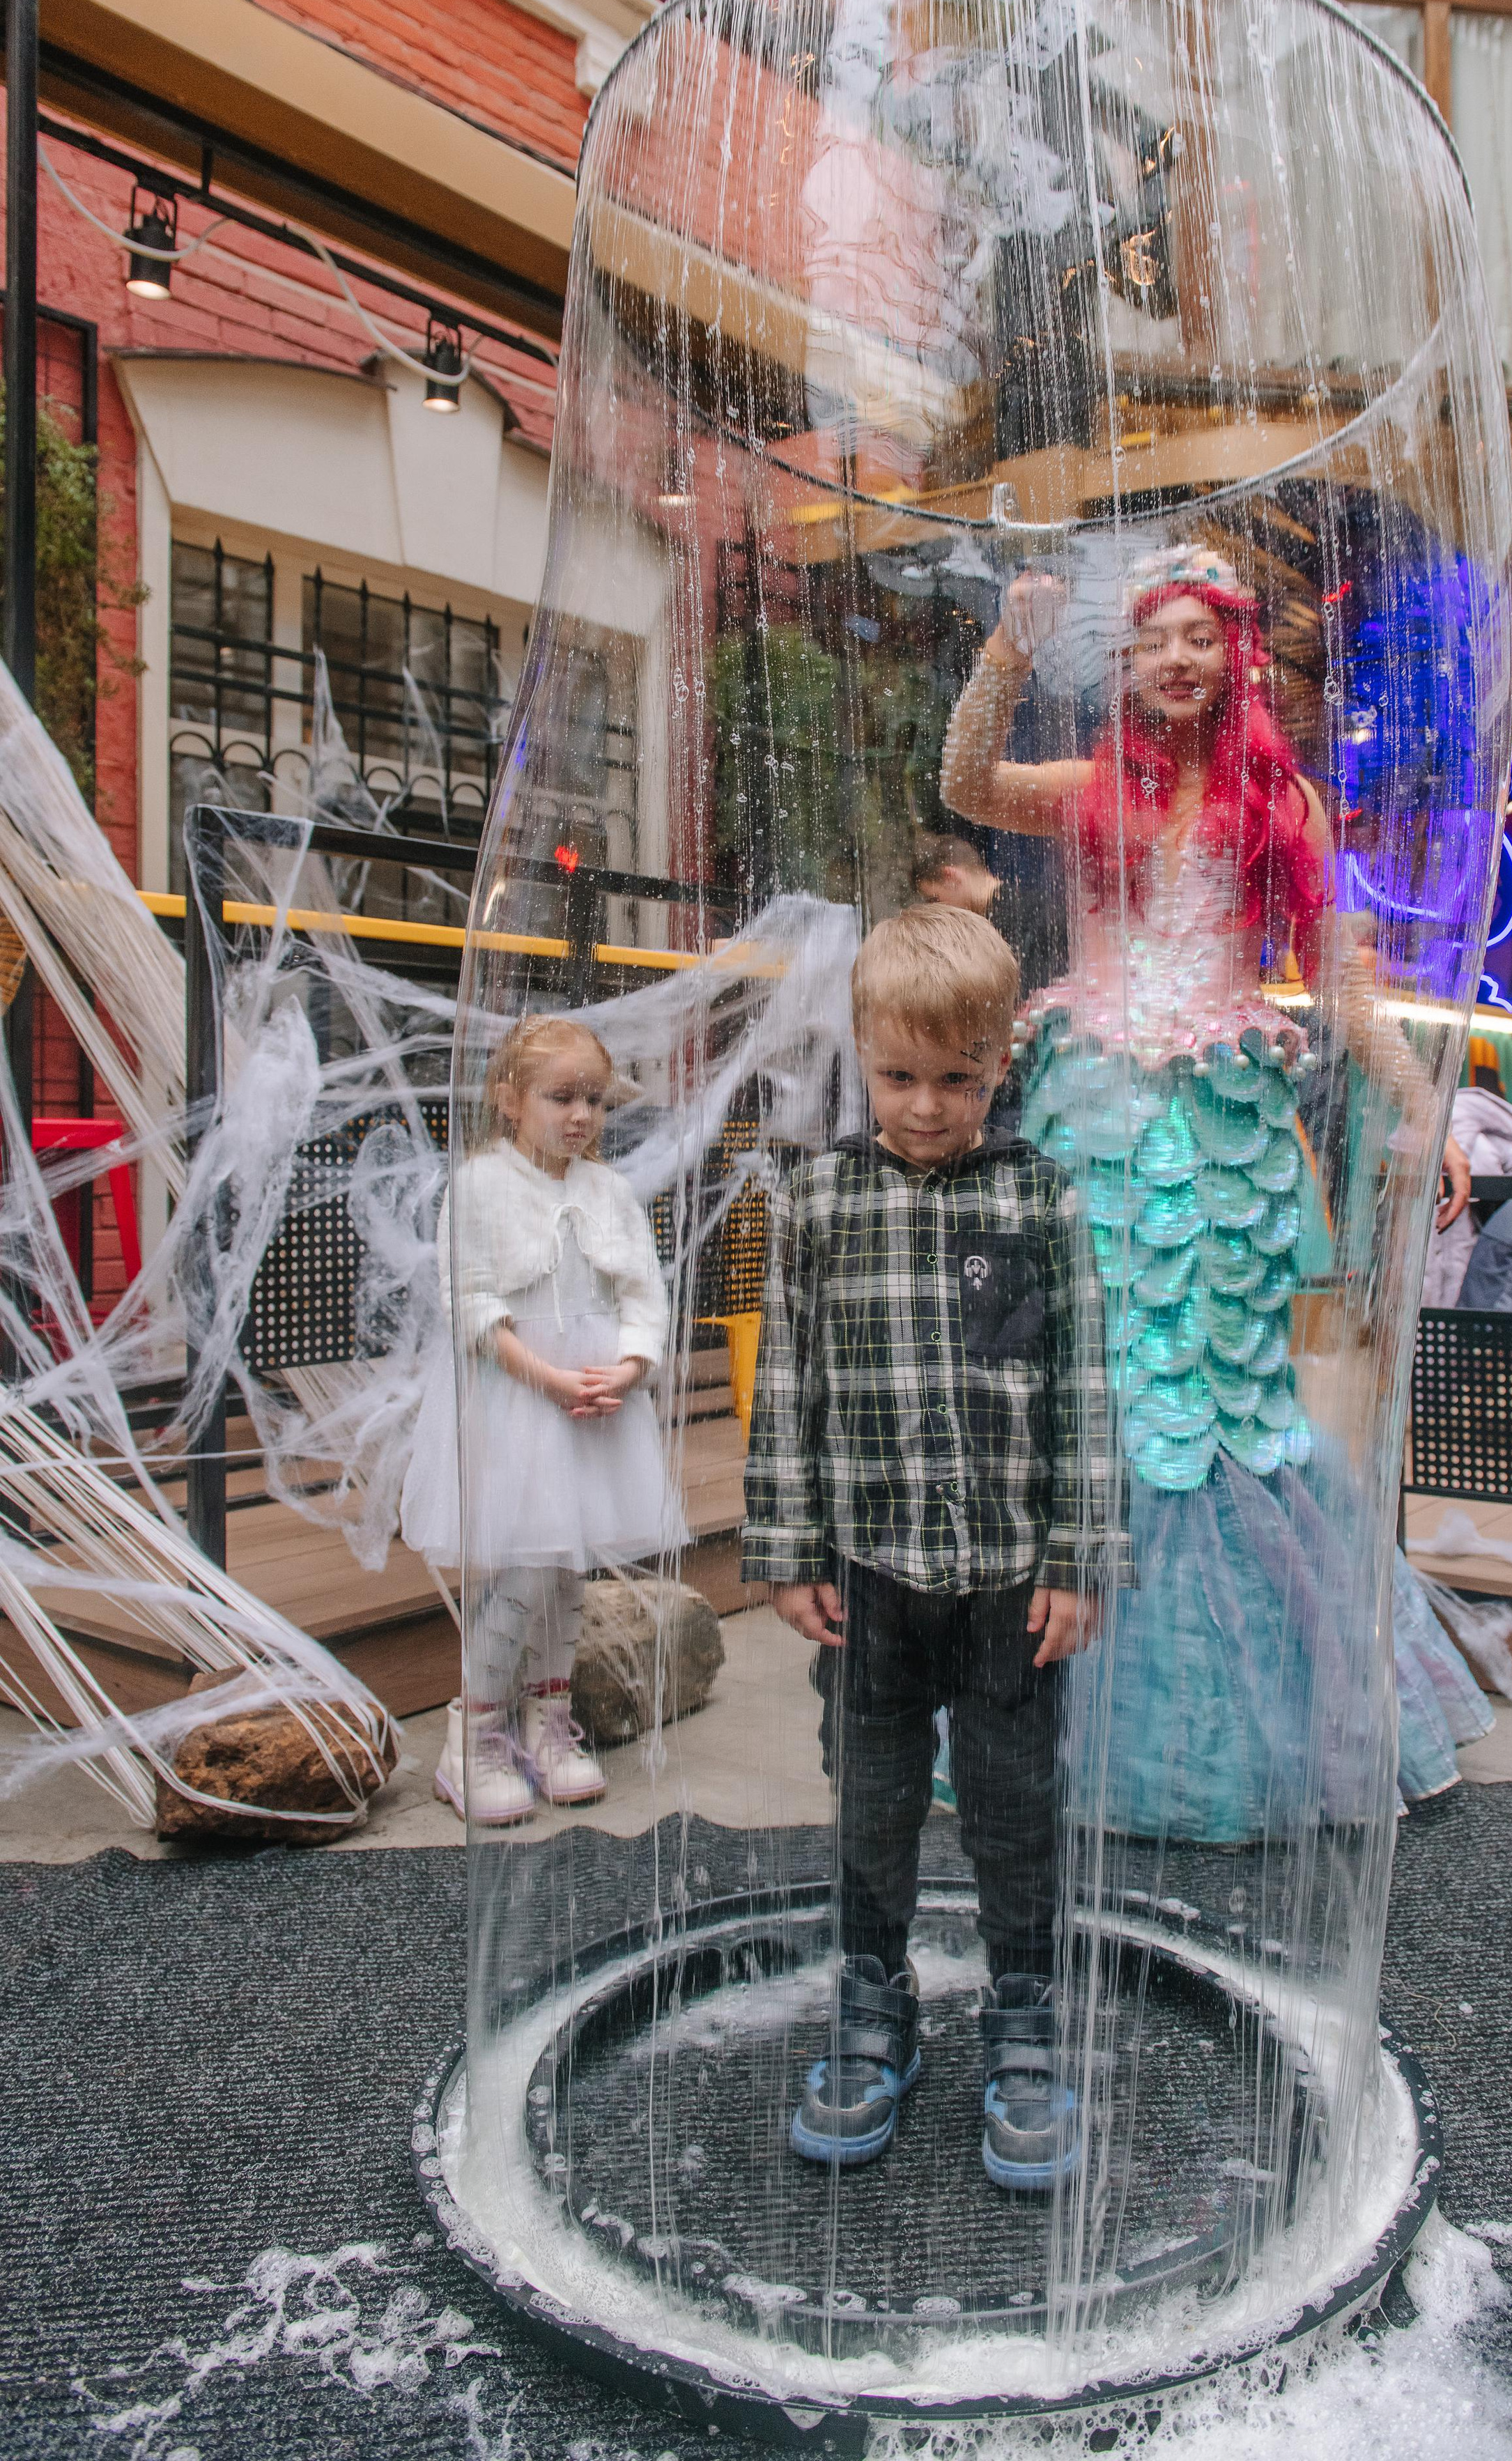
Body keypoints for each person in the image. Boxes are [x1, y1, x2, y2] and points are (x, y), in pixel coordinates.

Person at [939, 544, 1490, 1835]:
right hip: (1097, 1125)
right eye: (1154, 640)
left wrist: (1426, 1107)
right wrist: (1009, 650)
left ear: (1235, 652)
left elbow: (1339, 983)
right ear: (1126, 663)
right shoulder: (1087, 788)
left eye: (1202, 636)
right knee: (1098, 1386)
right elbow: (964, 783)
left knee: (1229, 1397)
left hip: (1226, 1136)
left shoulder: (1285, 802)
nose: (1178, 659)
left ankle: (1240, 1732)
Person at [741, 906, 1113, 2187]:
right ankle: (872, 1989)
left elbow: (1084, 1387)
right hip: (869, 1576)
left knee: (1015, 1801)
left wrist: (1078, 1555)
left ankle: (1023, 2005)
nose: (927, 1106)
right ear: (862, 1050)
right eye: (900, 1075)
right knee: (873, 1793)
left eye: (959, 1079)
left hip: (1011, 1578)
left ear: (1001, 1062)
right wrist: (788, 1548)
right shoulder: (818, 1198)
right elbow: (787, 1382)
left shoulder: (1040, 1197)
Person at [402, 1015, 686, 1826]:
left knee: (565, 1568)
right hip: (519, 1399)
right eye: (561, 1097)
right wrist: (548, 1378)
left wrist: (629, 1367)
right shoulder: (480, 1186)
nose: (581, 1115)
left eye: (593, 1100)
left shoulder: (608, 1191)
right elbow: (470, 1302)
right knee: (526, 1568)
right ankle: (474, 1735)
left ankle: (547, 1723)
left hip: (594, 1405)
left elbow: (644, 1293)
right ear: (509, 1099)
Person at [911, 831, 1001, 916]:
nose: (938, 910)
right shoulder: (1001, 905)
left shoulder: (1000, 915)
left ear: (950, 877)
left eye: (935, 900)